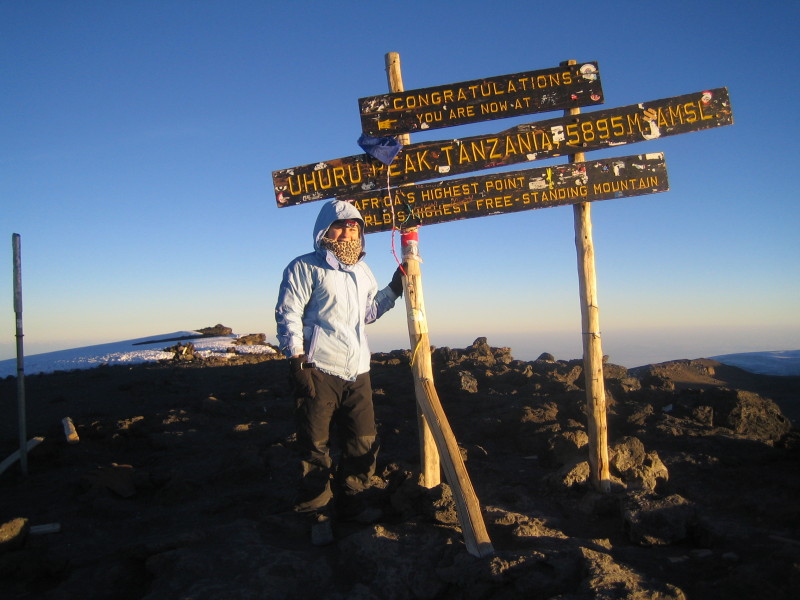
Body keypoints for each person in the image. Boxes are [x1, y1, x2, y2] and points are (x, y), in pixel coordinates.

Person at [275, 199, 403, 544]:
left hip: (358, 370)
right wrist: (296, 358)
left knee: (362, 442)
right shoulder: (304, 267)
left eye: (354, 225)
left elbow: (368, 313)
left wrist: (394, 289)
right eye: (341, 224)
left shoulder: (363, 271)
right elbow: (288, 313)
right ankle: (314, 511)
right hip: (319, 369)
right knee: (315, 446)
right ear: (325, 229)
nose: (349, 230)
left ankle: (354, 505)